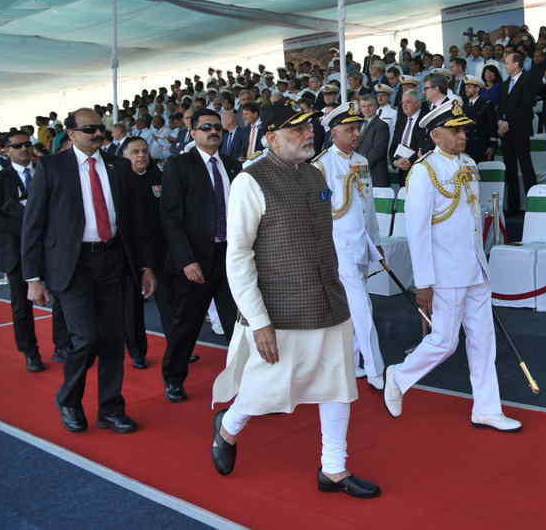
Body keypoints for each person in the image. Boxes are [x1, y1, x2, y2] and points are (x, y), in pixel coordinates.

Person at [210, 108, 380, 498]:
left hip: (328, 300)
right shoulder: (250, 182)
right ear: (271, 138)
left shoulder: (315, 174)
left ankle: (333, 469)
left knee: (338, 386)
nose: (308, 134)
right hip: (279, 308)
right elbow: (238, 257)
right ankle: (228, 427)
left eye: (309, 127)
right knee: (265, 390)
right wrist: (258, 320)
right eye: (297, 129)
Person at [382, 101, 521, 433]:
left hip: (474, 267)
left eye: (464, 130)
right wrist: (424, 282)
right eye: (456, 130)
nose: (463, 136)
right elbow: (417, 231)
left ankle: (487, 408)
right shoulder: (424, 171)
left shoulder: (470, 164)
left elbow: (472, 220)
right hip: (445, 270)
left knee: (484, 339)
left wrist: (481, 263)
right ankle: (399, 375)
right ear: (435, 134)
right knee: (445, 341)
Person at [22, 108, 156, 434]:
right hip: (73, 266)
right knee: (86, 338)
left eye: (100, 128)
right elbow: (33, 224)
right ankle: (69, 400)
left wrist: (146, 266)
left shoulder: (119, 167)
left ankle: (111, 409)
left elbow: (135, 223)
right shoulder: (51, 168)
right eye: (88, 129)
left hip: (114, 262)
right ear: (70, 134)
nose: (97, 134)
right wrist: (33, 278)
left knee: (112, 340)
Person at [159, 109, 241, 403]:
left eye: (217, 127)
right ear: (192, 132)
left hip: (231, 256)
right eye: (205, 127)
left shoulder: (233, 165)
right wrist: (186, 260)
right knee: (187, 324)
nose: (213, 131)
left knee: (239, 324)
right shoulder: (179, 165)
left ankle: (244, 381)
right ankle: (174, 378)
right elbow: (170, 217)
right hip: (196, 260)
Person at [312, 102, 386, 390]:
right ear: (334, 133)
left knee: (355, 308)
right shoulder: (322, 165)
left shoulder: (362, 161)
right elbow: (318, 215)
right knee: (362, 307)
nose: (356, 134)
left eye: (357, 128)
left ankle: (353, 362)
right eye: (349, 129)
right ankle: (376, 370)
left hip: (361, 244)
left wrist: (376, 244)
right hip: (337, 247)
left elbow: (368, 208)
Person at [0, 130, 68, 372]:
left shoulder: (47, 172)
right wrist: (27, 227)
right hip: (15, 251)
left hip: (52, 248)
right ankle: (30, 351)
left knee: (61, 297)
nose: (23, 149)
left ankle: (63, 345)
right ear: (6, 150)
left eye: (27, 144)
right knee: (22, 305)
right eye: (17, 146)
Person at [119, 136, 167, 369]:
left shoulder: (157, 175)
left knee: (172, 303)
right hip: (130, 253)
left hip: (161, 250)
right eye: (135, 152)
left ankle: (178, 347)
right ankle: (137, 351)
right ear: (124, 156)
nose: (141, 156)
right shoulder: (119, 181)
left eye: (144, 151)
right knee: (132, 308)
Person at [496, 52, 538, 213]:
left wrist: (508, 122)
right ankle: (513, 206)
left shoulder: (528, 79)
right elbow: (500, 105)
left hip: (520, 129)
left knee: (526, 166)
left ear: (516, 64)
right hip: (506, 132)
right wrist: (500, 120)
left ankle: (533, 203)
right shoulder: (506, 83)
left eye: (507, 63)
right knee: (510, 168)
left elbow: (526, 106)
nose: (505, 66)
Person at [388, 90, 432, 186]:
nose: (404, 105)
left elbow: (427, 147)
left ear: (418, 103)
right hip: (402, 170)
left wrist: (410, 161)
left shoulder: (426, 120)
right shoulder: (401, 120)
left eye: (408, 102)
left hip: (419, 170)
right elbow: (394, 145)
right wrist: (394, 161)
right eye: (403, 102)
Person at [460, 74, 497, 162]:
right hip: (467, 145)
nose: (466, 90)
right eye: (465, 87)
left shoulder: (486, 104)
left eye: (469, 87)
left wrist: (492, 146)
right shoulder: (463, 105)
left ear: (477, 89)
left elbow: (493, 127)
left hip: (481, 146)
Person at [356, 94, 390, 188]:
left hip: (375, 175)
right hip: (359, 173)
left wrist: (360, 167)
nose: (366, 109)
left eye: (370, 105)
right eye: (363, 106)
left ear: (376, 106)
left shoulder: (382, 125)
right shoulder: (357, 125)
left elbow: (378, 152)